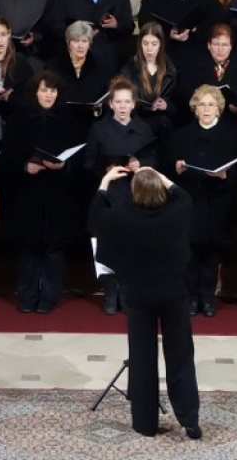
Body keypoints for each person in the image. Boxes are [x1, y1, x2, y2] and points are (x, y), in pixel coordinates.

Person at [91, 165, 202, 440]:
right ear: (161, 189)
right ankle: (190, 420)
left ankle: (145, 423)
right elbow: (184, 196)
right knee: (181, 357)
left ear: (134, 192)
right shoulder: (176, 213)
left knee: (142, 360)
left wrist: (105, 181)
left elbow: (95, 216)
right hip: (174, 295)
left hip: (140, 296)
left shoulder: (123, 217)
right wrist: (161, 176)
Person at [0, 71, 86, 313]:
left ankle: (49, 297)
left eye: (52, 90)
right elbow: (6, 156)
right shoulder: (18, 120)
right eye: (43, 90)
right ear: (34, 92)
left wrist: (64, 166)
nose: (48, 95)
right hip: (26, 193)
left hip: (58, 194)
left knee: (53, 251)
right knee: (28, 250)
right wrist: (25, 166)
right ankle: (27, 296)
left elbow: (79, 157)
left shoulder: (68, 120)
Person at [85, 77, 159, 314]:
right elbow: (88, 164)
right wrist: (105, 170)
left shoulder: (144, 129)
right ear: (111, 104)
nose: (123, 106)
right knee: (108, 244)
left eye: (127, 102)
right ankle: (110, 292)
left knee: (133, 246)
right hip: (110, 195)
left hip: (135, 194)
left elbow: (153, 160)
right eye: (119, 102)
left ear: (134, 104)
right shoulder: (99, 129)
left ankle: (128, 292)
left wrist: (142, 165)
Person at [169, 85, 237, 317]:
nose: (207, 109)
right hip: (190, 201)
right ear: (195, 108)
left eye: (211, 104)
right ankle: (191, 299)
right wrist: (177, 169)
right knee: (189, 255)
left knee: (211, 254)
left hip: (217, 202)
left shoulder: (231, 137)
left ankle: (207, 299)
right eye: (202, 104)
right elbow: (170, 171)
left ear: (219, 108)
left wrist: (225, 176)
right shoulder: (181, 135)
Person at [177, 24, 237, 129]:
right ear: (209, 45)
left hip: (231, 124)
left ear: (231, 46)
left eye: (224, 45)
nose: (220, 49)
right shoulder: (193, 66)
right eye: (216, 44)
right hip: (199, 123)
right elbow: (182, 95)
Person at [46, 21, 116, 134]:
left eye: (84, 41)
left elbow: (108, 97)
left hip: (93, 125)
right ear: (68, 43)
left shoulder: (103, 66)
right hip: (61, 124)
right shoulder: (52, 67)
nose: (80, 45)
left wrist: (100, 109)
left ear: (89, 43)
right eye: (76, 40)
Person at [118, 21, 177, 142]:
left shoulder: (171, 69)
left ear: (161, 45)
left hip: (163, 129)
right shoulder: (129, 70)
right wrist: (146, 108)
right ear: (140, 44)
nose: (149, 49)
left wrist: (166, 106)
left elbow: (178, 104)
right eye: (145, 43)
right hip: (137, 127)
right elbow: (122, 104)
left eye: (154, 44)